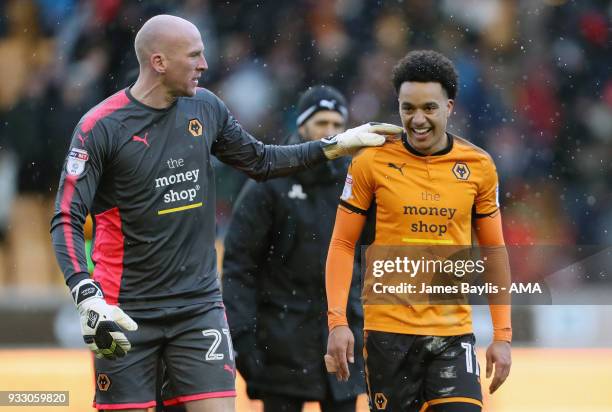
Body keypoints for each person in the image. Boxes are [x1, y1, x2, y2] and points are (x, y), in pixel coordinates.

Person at [49, 14, 402, 412]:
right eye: (195, 55)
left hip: (198, 308)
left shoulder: (206, 108)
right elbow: (66, 216)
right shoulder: (100, 127)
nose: (204, 64)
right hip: (124, 311)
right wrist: (85, 293)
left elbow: (262, 161)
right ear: (159, 62)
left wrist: (336, 145)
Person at [324, 50, 512, 411]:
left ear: (450, 107)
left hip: (452, 334)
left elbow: (494, 252)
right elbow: (343, 243)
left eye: (429, 108)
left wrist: (502, 336)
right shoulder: (370, 162)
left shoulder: (479, 167)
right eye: (408, 108)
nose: (418, 119)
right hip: (387, 335)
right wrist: (337, 322)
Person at [222, 85, 366, 412]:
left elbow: (369, 258)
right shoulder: (270, 181)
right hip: (279, 346)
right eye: (321, 123)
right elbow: (238, 266)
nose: (329, 132)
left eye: (336, 124)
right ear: (302, 126)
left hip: (341, 341)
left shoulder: (355, 182)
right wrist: (244, 339)